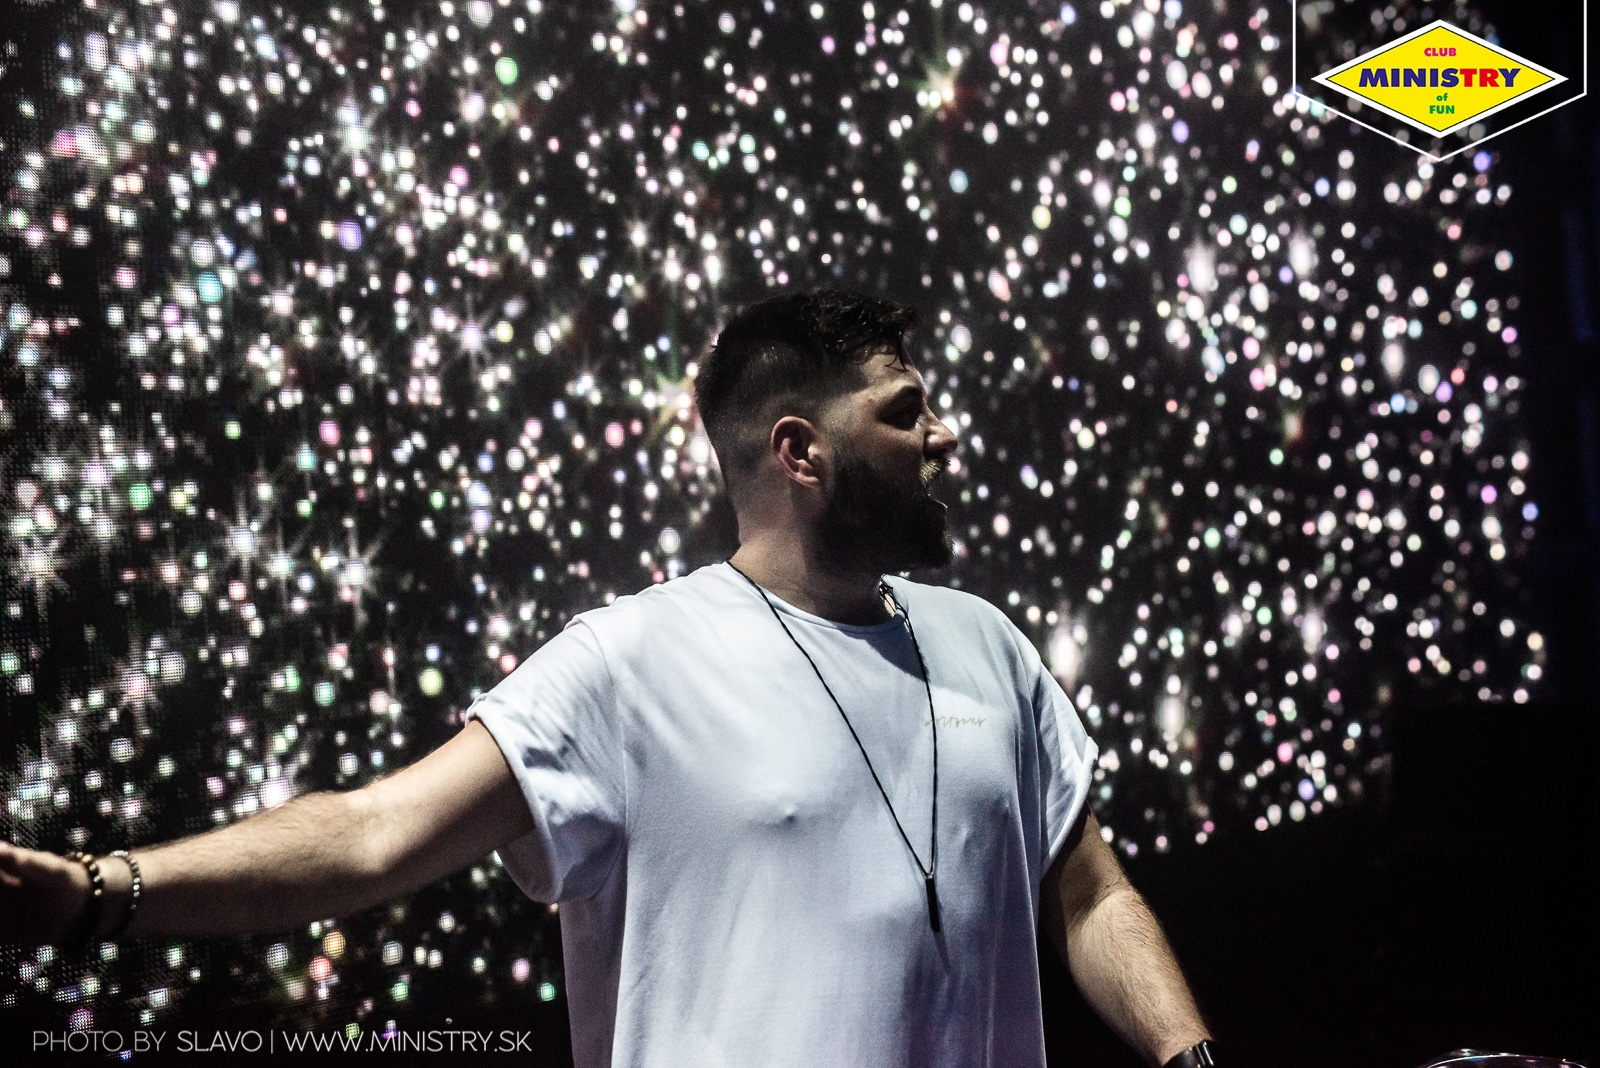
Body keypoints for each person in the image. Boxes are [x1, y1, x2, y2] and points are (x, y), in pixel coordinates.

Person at [0, 290, 1217, 1068]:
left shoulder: (988, 643)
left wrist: (1188, 1055)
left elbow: (1087, 895)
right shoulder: (629, 661)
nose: (943, 436)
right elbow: (372, 835)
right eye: (906, 414)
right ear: (800, 451)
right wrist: (98, 892)